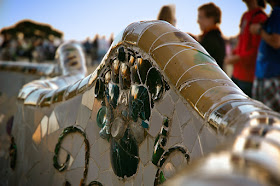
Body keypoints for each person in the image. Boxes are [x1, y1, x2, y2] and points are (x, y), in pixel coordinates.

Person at [224, 0, 267, 97]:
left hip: (248, 78)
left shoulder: (260, 17)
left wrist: (236, 58)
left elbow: (257, 51)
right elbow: (241, 40)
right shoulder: (246, 16)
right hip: (237, 73)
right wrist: (233, 53)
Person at [250, 0, 280, 112]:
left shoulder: (277, 13)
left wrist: (259, 30)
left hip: (270, 75)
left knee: (269, 119)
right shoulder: (275, 13)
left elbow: (276, 42)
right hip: (265, 74)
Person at [197, 3, 226, 69]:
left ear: (211, 19)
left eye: (200, 17)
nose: (198, 21)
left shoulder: (211, 39)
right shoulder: (216, 36)